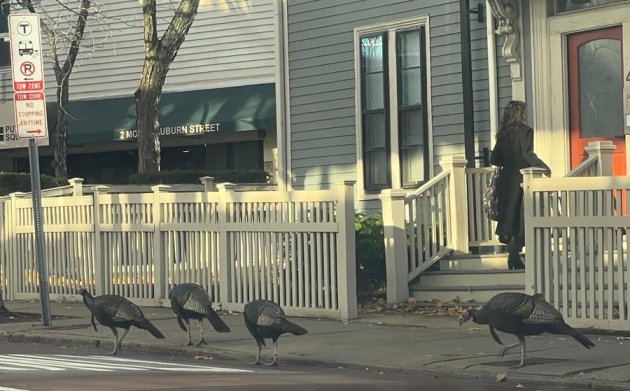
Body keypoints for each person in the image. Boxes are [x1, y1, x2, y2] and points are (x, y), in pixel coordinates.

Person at [490, 101, 551, 270]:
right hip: (520, 179)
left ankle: (513, 257)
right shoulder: (526, 132)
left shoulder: (502, 133)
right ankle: (518, 257)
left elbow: (494, 159)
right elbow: (527, 154)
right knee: (521, 217)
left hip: (505, 180)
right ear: (520, 113)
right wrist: (544, 168)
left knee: (509, 219)